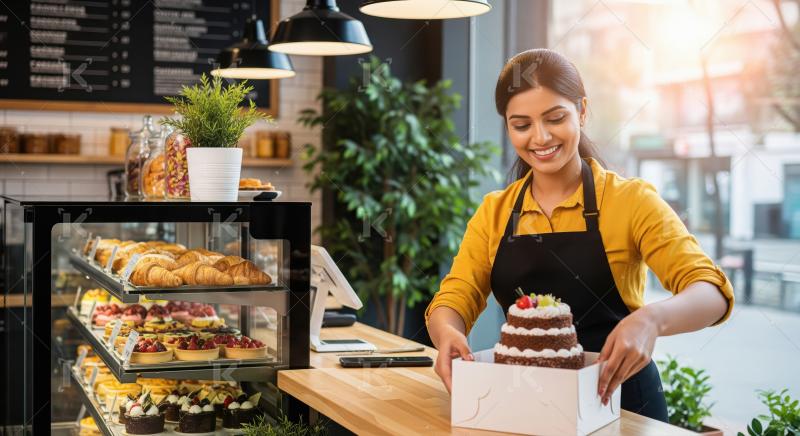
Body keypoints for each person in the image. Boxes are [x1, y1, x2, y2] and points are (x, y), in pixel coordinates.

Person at [425, 48, 733, 421]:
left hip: (621, 406)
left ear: (582, 112)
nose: (539, 138)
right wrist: (447, 335)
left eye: (555, 118)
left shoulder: (630, 201)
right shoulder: (495, 210)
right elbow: (454, 298)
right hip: (523, 405)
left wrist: (651, 320)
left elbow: (711, 291)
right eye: (521, 125)